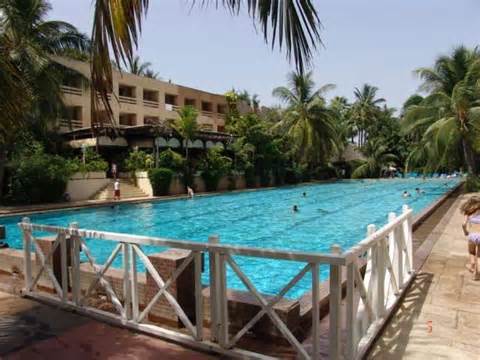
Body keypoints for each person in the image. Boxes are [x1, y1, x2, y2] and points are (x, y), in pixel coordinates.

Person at [461, 196, 480, 279]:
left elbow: (463, 224)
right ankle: (476, 274)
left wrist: (465, 232)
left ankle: (472, 265)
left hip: (472, 236)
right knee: (479, 256)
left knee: (471, 252)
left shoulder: (468, 212)